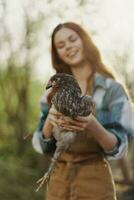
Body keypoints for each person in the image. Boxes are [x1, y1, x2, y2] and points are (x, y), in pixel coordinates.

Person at [32, 22, 134, 200]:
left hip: (95, 180)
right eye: (61, 45)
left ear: (85, 41)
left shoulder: (112, 89)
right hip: (59, 180)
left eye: (72, 39)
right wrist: (50, 119)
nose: (68, 47)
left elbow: (121, 147)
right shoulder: (51, 92)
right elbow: (42, 145)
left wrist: (92, 125)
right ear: (57, 54)